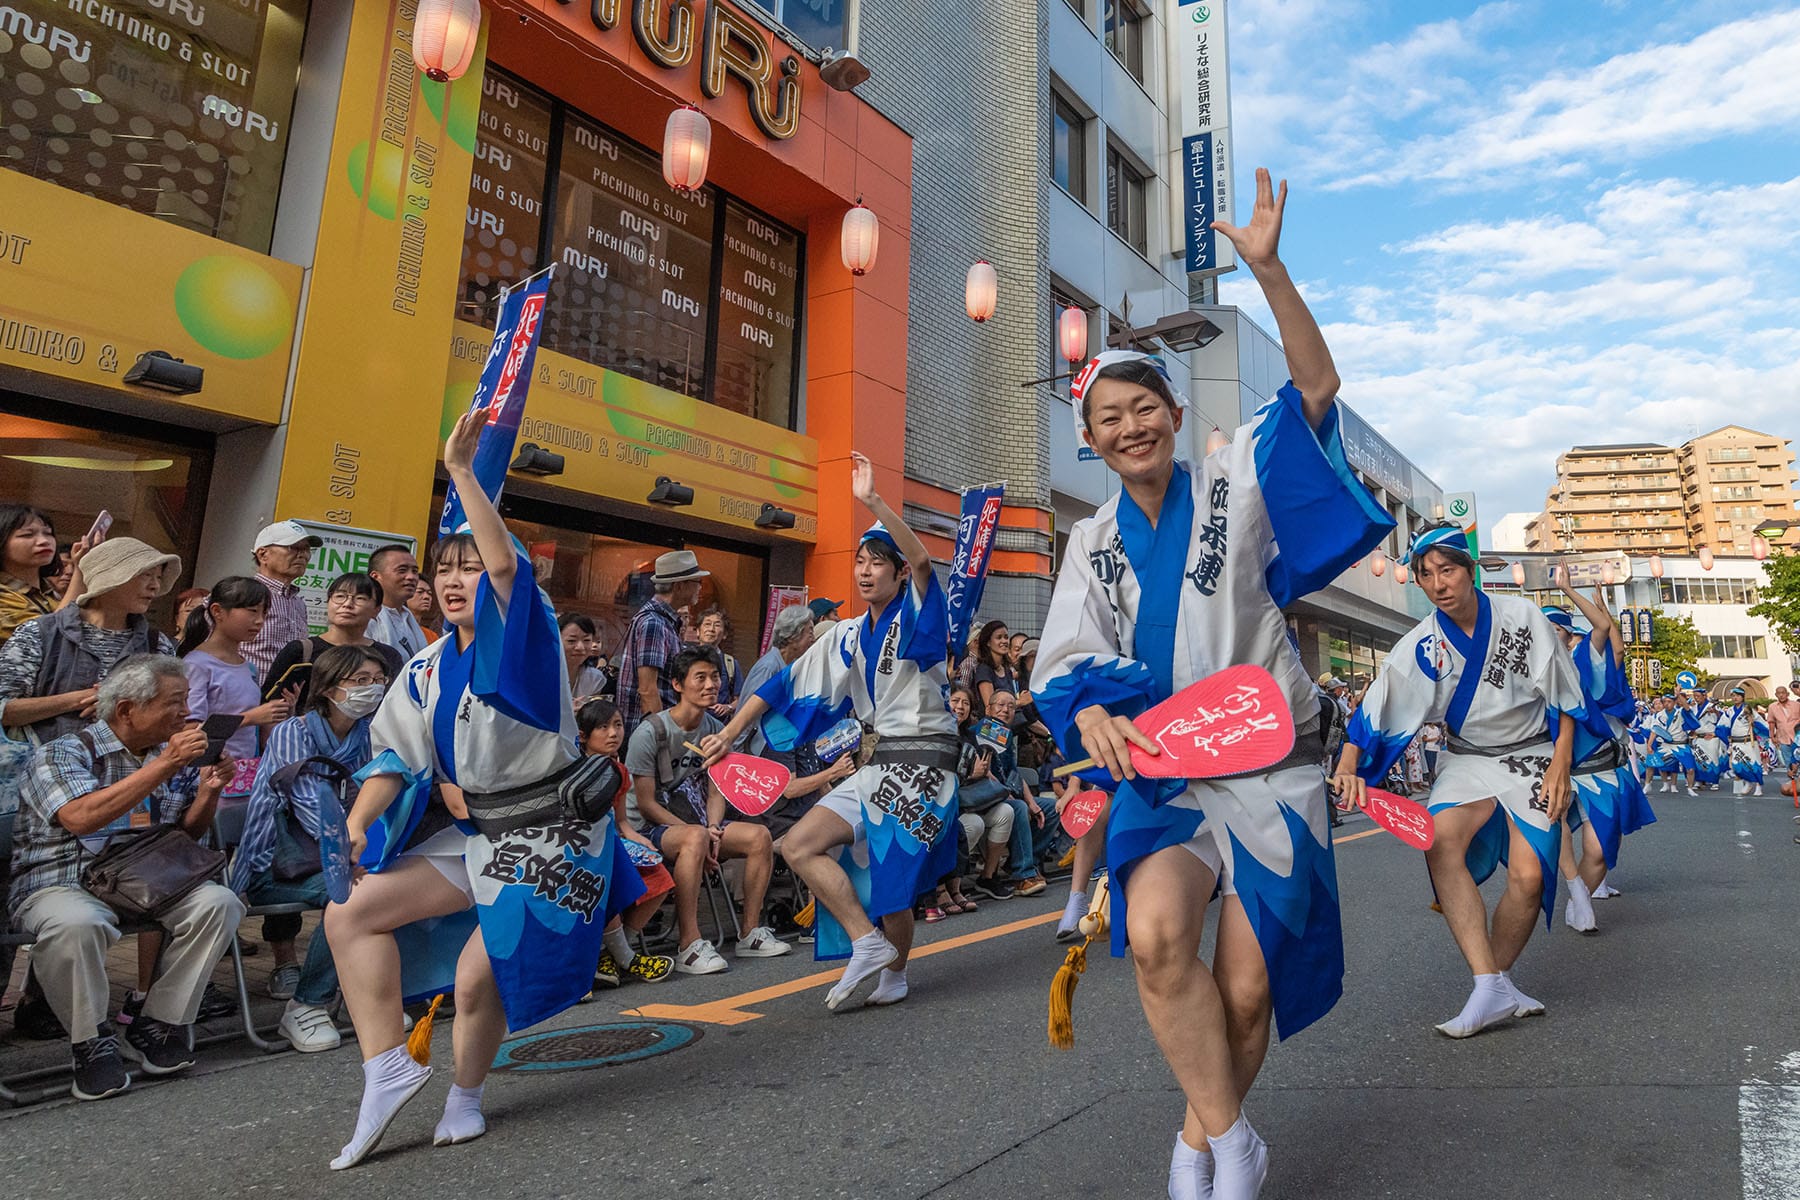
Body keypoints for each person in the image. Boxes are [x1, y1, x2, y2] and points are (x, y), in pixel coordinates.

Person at [1034, 169, 1392, 1200]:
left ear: (1174, 414)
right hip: (1164, 780)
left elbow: (1315, 394)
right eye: (1109, 416)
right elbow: (1064, 662)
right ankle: (1237, 1143)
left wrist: (1271, 275)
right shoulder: (1091, 542)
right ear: (1090, 439)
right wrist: (1091, 708)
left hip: (1273, 773)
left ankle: (1203, 1139)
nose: (1131, 425)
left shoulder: (1240, 483)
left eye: (1145, 405)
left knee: (1244, 996)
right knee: (1151, 940)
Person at [322, 411, 644, 1169]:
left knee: (477, 980)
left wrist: (463, 471)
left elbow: (508, 573)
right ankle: (386, 1065)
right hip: (478, 836)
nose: (455, 579)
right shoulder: (425, 665)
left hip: (550, 833)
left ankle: (465, 1095)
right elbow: (392, 757)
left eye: (467, 566)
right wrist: (361, 824)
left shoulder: (524, 638)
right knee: (350, 914)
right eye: (443, 569)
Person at [704, 453, 961, 1013]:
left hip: (921, 764)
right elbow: (784, 685)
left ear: (896, 573)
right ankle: (870, 946)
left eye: (877, 563)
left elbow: (921, 561)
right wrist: (730, 733)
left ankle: (893, 974)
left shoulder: (917, 614)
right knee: (798, 844)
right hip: (875, 764)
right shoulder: (845, 634)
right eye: (860, 562)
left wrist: (871, 501)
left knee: (893, 876)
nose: (866, 571)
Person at [1336, 524, 1584, 1040]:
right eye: (1426, 576)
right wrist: (1347, 762)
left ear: (1469, 571)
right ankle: (1487, 982)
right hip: (1466, 758)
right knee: (1439, 839)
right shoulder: (1421, 644)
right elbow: (1379, 705)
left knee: (1529, 877)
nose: (1438, 584)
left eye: (1447, 570)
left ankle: (1496, 981)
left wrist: (1561, 765)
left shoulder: (1523, 618)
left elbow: (1565, 697)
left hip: (1534, 754)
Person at [8, 654, 243, 1100]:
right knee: (78, 924)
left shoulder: (165, 756)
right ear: (127, 710)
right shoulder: (63, 753)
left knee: (220, 903)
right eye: (175, 702)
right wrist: (166, 766)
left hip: (144, 878)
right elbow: (80, 818)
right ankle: (91, 1043)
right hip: (62, 879)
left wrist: (209, 792)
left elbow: (182, 835)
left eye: (186, 700)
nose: (186, 712)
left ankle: (157, 1022)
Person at [231, 644, 391, 1050]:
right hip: (276, 866)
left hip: (341, 858)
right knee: (354, 896)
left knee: (388, 888)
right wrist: (351, 854)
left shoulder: (368, 735)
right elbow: (309, 806)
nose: (371, 690)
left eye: (377, 681)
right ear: (328, 688)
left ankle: (365, 996)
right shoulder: (293, 732)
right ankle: (306, 1005)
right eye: (360, 681)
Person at [622, 646, 790, 974]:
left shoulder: (714, 728)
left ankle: (750, 933)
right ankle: (689, 944)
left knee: (759, 836)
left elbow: (716, 789)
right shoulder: (650, 732)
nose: (710, 684)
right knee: (694, 839)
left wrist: (713, 828)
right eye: (700, 677)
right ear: (677, 685)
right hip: (648, 829)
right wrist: (700, 834)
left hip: (697, 821)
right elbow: (645, 804)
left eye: (714, 677)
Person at [1541, 576, 1654, 933]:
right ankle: (1575, 889)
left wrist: (1573, 592)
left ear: (1567, 634)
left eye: (1555, 628)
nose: (1548, 634)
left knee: (1601, 849)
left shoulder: (1582, 664)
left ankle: (1581, 896)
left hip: (1600, 767)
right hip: (1550, 768)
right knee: (1551, 833)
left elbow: (1608, 635)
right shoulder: (1528, 669)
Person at [576, 698, 676, 988]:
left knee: (660, 879)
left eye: (617, 725)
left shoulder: (620, 771)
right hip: (586, 849)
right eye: (603, 727)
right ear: (583, 736)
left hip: (614, 841)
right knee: (606, 880)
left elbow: (621, 822)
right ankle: (626, 958)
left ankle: (614, 952)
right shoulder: (575, 770)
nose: (613, 733)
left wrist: (640, 841)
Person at [177, 576, 298, 797]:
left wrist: (282, 711)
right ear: (217, 611)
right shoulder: (196, 664)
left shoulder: (248, 667)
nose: (260, 621)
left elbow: (258, 732)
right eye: (252, 611)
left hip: (244, 773)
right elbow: (190, 729)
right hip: (206, 775)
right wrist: (252, 717)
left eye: (264, 613)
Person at [264, 573, 405, 706]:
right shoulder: (300, 651)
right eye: (340, 596)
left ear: (377, 610)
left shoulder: (388, 656)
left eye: (360, 598)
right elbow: (269, 703)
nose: (347, 604)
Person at [615, 551, 707, 737]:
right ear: (680, 586)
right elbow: (648, 689)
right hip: (645, 736)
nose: (700, 588)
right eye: (697, 582)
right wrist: (661, 738)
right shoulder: (654, 623)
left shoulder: (665, 621)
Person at [244, 521, 323, 682]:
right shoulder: (240, 592)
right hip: (245, 698)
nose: (302, 555)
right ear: (262, 554)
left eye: (307, 549)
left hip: (285, 701)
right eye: (292, 547)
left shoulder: (298, 603)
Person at [740, 605, 815, 753]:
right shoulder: (769, 667)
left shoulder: (791, 666)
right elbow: (746, 713)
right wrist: (738, 752)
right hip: (756, 751)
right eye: (810, 632)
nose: (813, 639)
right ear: (794, 636)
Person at [0, 504, 64, 643]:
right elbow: (52, 639)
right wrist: (79, 574)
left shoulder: (49, 591)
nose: (44, 541)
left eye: (48, 533)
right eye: (27, 535)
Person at [366, 545, 428, 659]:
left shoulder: (408, 617)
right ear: (375, 577)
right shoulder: (365, 617)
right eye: (402, 570)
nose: (411, 577)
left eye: (414, 571)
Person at [1718, 686, 1769, 795]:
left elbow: (1762, 724)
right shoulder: (1729, 711)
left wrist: (1753, 722)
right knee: (1737, 765)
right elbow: (1723, 725)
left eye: (1737, 696)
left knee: (1754, 763)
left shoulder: (1748, 709)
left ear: (1742, 697)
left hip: (1748, 742)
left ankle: (1758, 786)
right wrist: (1723, 734)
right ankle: (1749, 782)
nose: (1735, 698)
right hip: (1736, 742)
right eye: (1733, 696)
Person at [694, 607, 744, 716]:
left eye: (717, 625)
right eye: (707, 624)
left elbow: (740, 698)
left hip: (720, 726)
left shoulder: (731, 663)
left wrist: (729, 707)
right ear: (698, 631)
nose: (711, 629)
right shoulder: (686, 659)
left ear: (725, 634)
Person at [558, 612, 609, 702]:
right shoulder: (539, 674)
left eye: (586, 640)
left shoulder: (595, 679)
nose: (580, 647)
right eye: (571, 640)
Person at [970, 620, 1019, 709]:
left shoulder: (1007, 670)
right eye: (999, 637)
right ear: (988, 642)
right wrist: (1021, 702)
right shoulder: (984, 670)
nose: (1004, 641)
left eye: (1006, 637)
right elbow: (991, 706)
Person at [1769, 685, 1800, 778]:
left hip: (1797, 738)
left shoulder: (1797, 705)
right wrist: (1772, 736)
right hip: (1783, 737)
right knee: (1788, 762)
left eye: (1783, 693)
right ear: (1776, 695)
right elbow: (1771, 722)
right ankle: (1793, 784)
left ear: (1788, 694)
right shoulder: (1772, 707)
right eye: (1779, 693)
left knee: (1798, 760)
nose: (1781, 695)